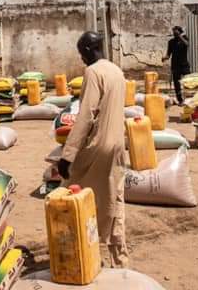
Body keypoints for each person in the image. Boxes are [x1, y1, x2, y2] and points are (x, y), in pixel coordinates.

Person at [57, 31, 129, 268]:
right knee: (115, 200)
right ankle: (120, 260)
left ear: (88, 50)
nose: (81, 59)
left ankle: (76, 253)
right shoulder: (116, 71)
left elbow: (86, 115)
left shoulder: (93, 72)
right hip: (117, 144)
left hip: (98, 145)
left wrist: (67, 155)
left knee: (71, 193)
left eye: (81, 53)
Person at [162, 26, 190, 105]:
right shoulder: (171, 42)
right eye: (174, 32)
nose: (174, 34)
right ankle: (180, 100)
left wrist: (179, 36)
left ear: (180, 32)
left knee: (188, 82)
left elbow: (187, 44)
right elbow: (168, 54)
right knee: (177, 84)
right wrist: (164, 58)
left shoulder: (184, 38)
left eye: (176, 32)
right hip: (175, 66)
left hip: (184, 65)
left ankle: (189, 99)